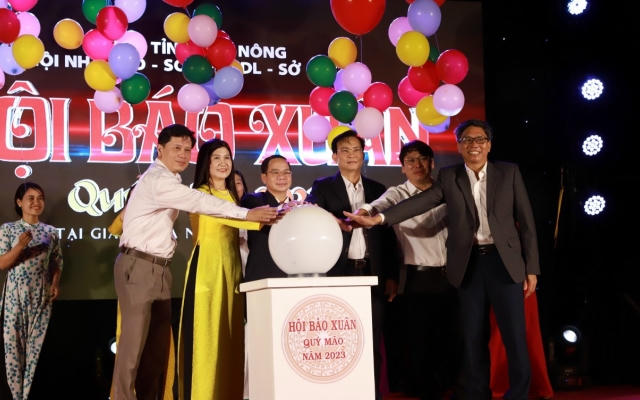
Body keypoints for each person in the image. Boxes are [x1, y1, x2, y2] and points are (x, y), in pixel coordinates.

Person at [345, 120, 540, 400]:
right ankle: (476, 393)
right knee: (471, 335)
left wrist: (532, 267)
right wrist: (379, 219)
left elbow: (527, 222)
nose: (474, 145)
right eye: (467, 140)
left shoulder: (508, 172)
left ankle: (518, 394)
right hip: (469, 264)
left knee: (514, 335)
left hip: (504, 262)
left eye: (480, 139)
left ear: (489, 145)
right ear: (459, 146)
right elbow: (420, 203)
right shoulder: (450, 177)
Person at [111, 124, 277, 400]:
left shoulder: (169, 179)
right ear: (160, 149)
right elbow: (200, 202)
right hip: (140, 265)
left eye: (187, 149)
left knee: (156, 350)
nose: (183, 154)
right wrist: (248, 215)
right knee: (133, 348)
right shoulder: (159, 180)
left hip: (159, 268)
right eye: (176, 148)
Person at [359, 140, 459, 399]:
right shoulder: (397, 193)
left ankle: (448, 386)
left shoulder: (446, 189)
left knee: (449, 336)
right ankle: (424, 389)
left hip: (452, 275)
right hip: (417, 276)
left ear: (432, 163)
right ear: (402, 167)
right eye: (410, 161)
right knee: (419, 338)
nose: (417, 165)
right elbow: (380, 204)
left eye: (422, 159)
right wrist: (365, 211)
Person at [306, 130, 399, 399]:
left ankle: (372, 393)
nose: (351, 155)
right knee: (339, 338)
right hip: (339, 272)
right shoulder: (323, 186)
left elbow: (389, 236)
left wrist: (392, 275)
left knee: (372, 338)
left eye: (356, 150)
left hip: (373, 271)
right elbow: (310, 214)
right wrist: (331, 219)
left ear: (363, 154)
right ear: (335, 156)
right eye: (344, 150)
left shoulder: (378, 189)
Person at [177, 139, 262, 400]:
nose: (224, 163)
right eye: (217, 158)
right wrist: (260, 218)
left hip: (232, 270)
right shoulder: (200, 193)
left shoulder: (234, 196)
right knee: (206, 337)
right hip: (207, 271)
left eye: (227, 157)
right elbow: (224, 216)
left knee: (230, 337)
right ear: (206, 163)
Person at [0, 182, 63, 400]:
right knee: (13, 351)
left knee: (37, 350)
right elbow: (2, 263)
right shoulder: (8, 229)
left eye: (40, 198)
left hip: (40, 296)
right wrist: (19, 246)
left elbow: (57, 262)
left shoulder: (50, 232)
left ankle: (29, 394)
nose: (36, 202)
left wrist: (55, 283)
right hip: (14, 298)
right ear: (19, 202)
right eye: (31, 198)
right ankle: (16, 396)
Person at [240, 155, 293, 282]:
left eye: (286, 172)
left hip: (292, 276)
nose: (282, 177)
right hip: (262, 277)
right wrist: (293, 209)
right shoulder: (253, 200)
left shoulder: (299, 207)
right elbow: (268, 216)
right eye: (275, 172)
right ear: (264, 177)